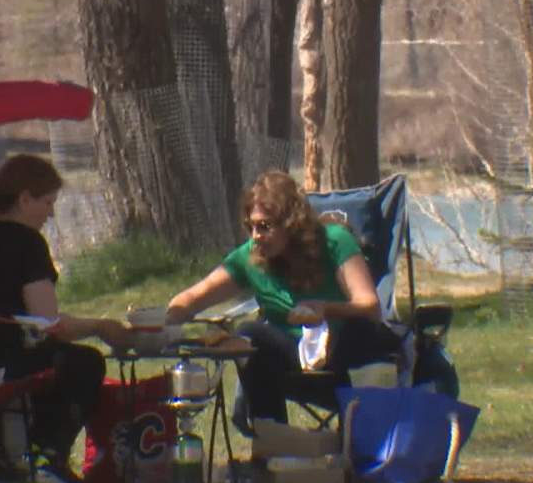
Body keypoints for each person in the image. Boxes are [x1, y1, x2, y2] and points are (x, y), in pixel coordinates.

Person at [0, 153, 131, 483]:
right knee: (82, 362)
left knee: (44, 357)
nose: (51, 214)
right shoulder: (26, 244)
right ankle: (46, 457)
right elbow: (49, 325)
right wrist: (101, 326)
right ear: (24, 199)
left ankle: (10, 450)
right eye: (48, 202)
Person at [165, 170, 401, 434]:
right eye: (250, 226)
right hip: (293, 366)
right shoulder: (250, 258)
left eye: (264, 226)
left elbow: (370, 306)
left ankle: (368, 440)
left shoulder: (334, 241)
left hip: (345, 366)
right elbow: (194, 297)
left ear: (291, 224)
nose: (255, 235)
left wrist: (325, 309)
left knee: (360, 329)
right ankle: (274, 444)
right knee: (249, 334)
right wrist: (157, 323)